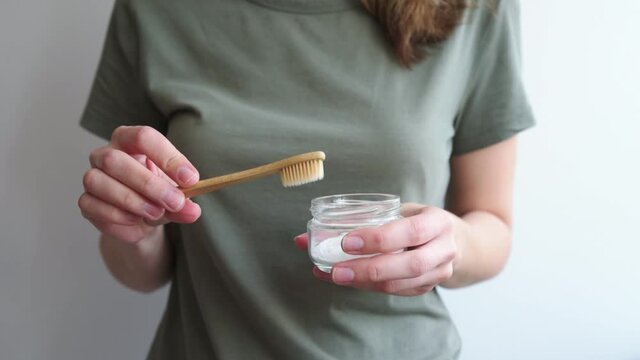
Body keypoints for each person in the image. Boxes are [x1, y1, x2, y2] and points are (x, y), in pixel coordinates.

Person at [77, 0, 534, 358]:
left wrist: (447, 241)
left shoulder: (476, 8)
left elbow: (493, 228)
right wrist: (135, 227)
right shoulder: (154, 10)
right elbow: (140, 273)